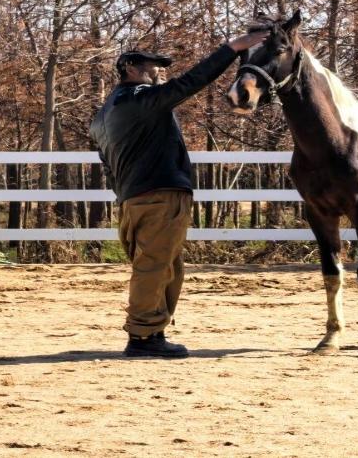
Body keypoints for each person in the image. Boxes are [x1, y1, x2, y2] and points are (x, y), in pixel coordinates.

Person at [90, 28, 269, 358]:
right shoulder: (141, 101)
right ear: (130, 68)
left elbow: (108, 166)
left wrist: (125, 196)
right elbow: (191, 82)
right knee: (156, 267)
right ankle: (143, 337)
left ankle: (152, 330)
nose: (158, 71)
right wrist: (233, 48)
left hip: (133, 199)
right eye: (151, 66)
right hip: (159, 196)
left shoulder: (104, 115)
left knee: (165, 267)